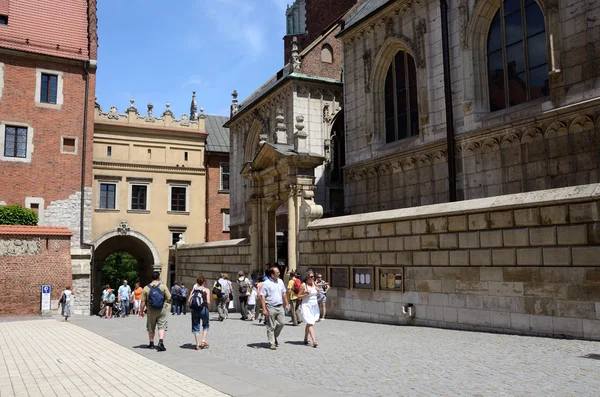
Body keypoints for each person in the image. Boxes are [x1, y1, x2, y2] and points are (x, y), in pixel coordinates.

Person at [140, 271, 171, 351]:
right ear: (159, 278)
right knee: (162, 326)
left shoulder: (146, 288)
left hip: (150, 310)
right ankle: (160, 342)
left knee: (151, 326)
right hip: (161, 309)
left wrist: (141, 311)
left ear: (151, 278)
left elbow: (143, 301)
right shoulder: (163, 286)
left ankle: (151, 343)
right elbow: (169, 297)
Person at [260, 266, 289, 350]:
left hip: (279, 306)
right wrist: (264, 309)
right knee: (271, 326)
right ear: (272, 275)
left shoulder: (280, 281)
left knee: (282, 323)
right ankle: (271, 342)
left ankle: (274, 336)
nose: (279, 273)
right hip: (270, 306)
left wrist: (286, 303)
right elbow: (262, 296)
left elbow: (284, 293)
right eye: (277, 273)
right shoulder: (266, 283)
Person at [297, 271, 320, 347]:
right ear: (307, 277)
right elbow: (299, 296)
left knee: (309, 322)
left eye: (313, 277)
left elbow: (316, 295)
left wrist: (318, 291)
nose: (312, 278)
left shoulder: (315, 284)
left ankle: (305, 339)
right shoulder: (303, 285)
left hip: (314, 305)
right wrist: (306, 294)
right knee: (310, 322)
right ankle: (314, 340)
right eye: (310, 277)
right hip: (306, 305)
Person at [188, 275, 210, 350]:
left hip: (195, 310)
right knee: (206, 325)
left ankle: (197, 344)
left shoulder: (194, 290)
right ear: (204, 282)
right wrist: (208, 308)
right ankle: (203, 340)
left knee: (195, 326)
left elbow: (189, 301)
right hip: (204, 309)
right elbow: (208, 301)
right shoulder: (206, 290)